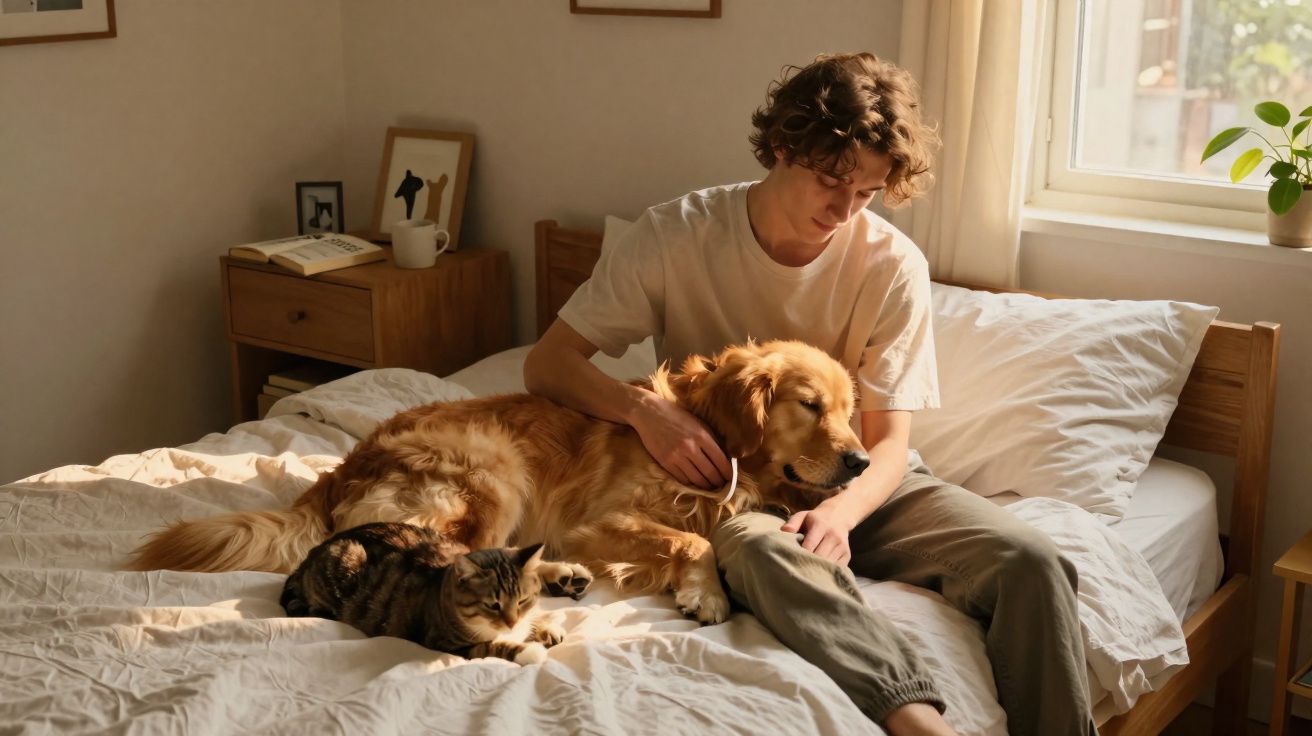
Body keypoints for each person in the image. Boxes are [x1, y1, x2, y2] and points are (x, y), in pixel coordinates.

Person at [523, 52, 1094, 736]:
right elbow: (550, 364)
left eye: (868, 194)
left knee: (1032, 562)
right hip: (735, 486)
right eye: (832, 181)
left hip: (864, 482)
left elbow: (888, 443)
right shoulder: (675, 235)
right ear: (782, 147)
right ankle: (919, 722)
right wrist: (647, 411)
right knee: (756, 551)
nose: (845, 209)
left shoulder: (890, 266)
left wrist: (844, 514)